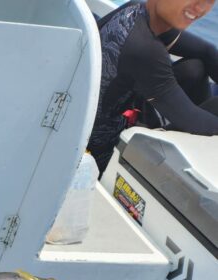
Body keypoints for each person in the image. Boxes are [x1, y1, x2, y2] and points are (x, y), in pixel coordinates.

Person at [88, 0, 218, 174]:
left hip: (112, 107)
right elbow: (195, 122)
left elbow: (207, 51)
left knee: (194, 69)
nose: (200, 7)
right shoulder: (144, 48)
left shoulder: (136, 10)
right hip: (102, 150)